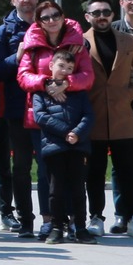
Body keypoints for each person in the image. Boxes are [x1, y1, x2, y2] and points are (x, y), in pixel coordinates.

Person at [15, 0, 93, 239]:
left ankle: (76, 224)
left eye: (55, 15)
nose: (51, 20)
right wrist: (47, 84)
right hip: (44, 116)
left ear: (62, 15)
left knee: (75, 178)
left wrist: (66, 83)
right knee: (48, 175)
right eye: (45, 17)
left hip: (73, 115)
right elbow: (23, 76)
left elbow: (88, 76)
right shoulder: (33, 46)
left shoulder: (77, 44)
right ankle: (51, 221)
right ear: (39, 21)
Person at [82, 0, 133, 238]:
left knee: (128, 170)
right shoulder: (80, 42)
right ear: (88, 17)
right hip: (94, 117)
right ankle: (96, 217)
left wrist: (130, 94)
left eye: (105, 12)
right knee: (95, 172)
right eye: (96, 13)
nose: (101, 17)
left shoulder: (128, 41)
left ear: (112, 15)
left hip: (123, 116)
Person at [0, 0, 40, 235]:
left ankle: (53, 218)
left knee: (49, 165)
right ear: (13, 1)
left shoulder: (49, 23)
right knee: (20, 168)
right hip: (18, 110)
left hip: (50, 107)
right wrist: (15, 57)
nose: (27, 0)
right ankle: (26, 220)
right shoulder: (4, 32)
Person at [30, 48, 96, 244]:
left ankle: (80, 227)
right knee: (55, 190)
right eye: (61, 66)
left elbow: (88, 115)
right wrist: (65, 132)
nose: (65, 70)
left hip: (77, 146)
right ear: (51, 66)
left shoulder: (79, 92)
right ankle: (57, 226)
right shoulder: (41, 93)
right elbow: (40, 116)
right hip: (54, 147)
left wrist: (76, 133)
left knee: (77, 188)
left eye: (70, 67)